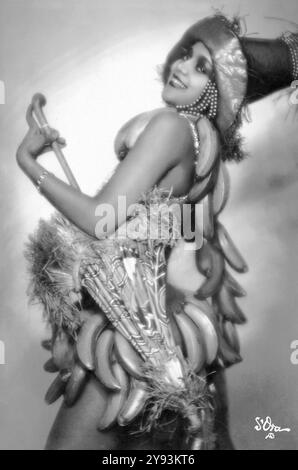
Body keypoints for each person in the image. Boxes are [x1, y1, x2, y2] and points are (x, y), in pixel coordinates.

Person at [16, 12, 298, 450]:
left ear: (217, 93)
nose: (182, 66)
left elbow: (99, 219)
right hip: (159, 328)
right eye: (186, 53)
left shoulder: (170, 128)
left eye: (203, 67)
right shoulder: (197, 143)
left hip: (129, 334)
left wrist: (30, 165)